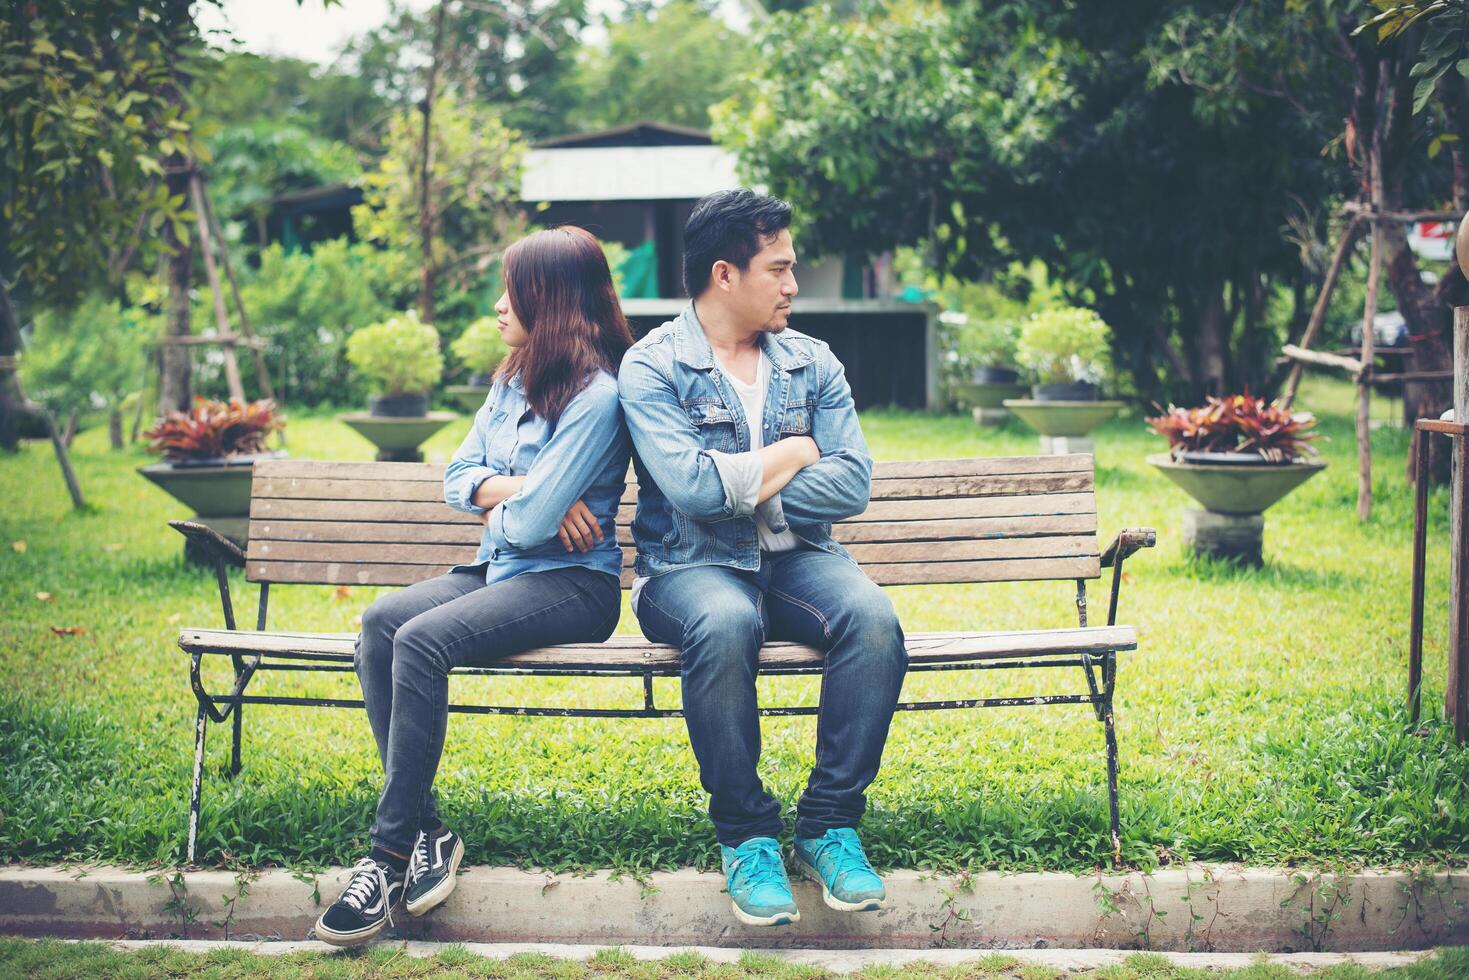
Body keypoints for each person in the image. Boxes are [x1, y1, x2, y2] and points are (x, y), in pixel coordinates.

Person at [314, 226, 634, 947]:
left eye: (510, 290)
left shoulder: (598, 398)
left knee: (423, 641)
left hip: (572, 584)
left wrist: (522, 502)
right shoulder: (510, 380)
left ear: (547, 299)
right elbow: (457, 481)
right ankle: (430, 831)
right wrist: (528, 485)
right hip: (499, 570)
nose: (496, 305)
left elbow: (527, 530)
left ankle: (386, 857)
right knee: (382, 622)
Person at [618, 190, 908, 927]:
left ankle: (827, 825)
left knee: (873, 621)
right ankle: (746, 835)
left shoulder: (812, 361)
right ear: (724, 274)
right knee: (721, 622)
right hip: (687, 570)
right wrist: (792, 451)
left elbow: (853, 482)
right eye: (777, 269)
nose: (792, 285)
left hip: (799, 558)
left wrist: (750, 491)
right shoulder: (652, 365)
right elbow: (687, 491)